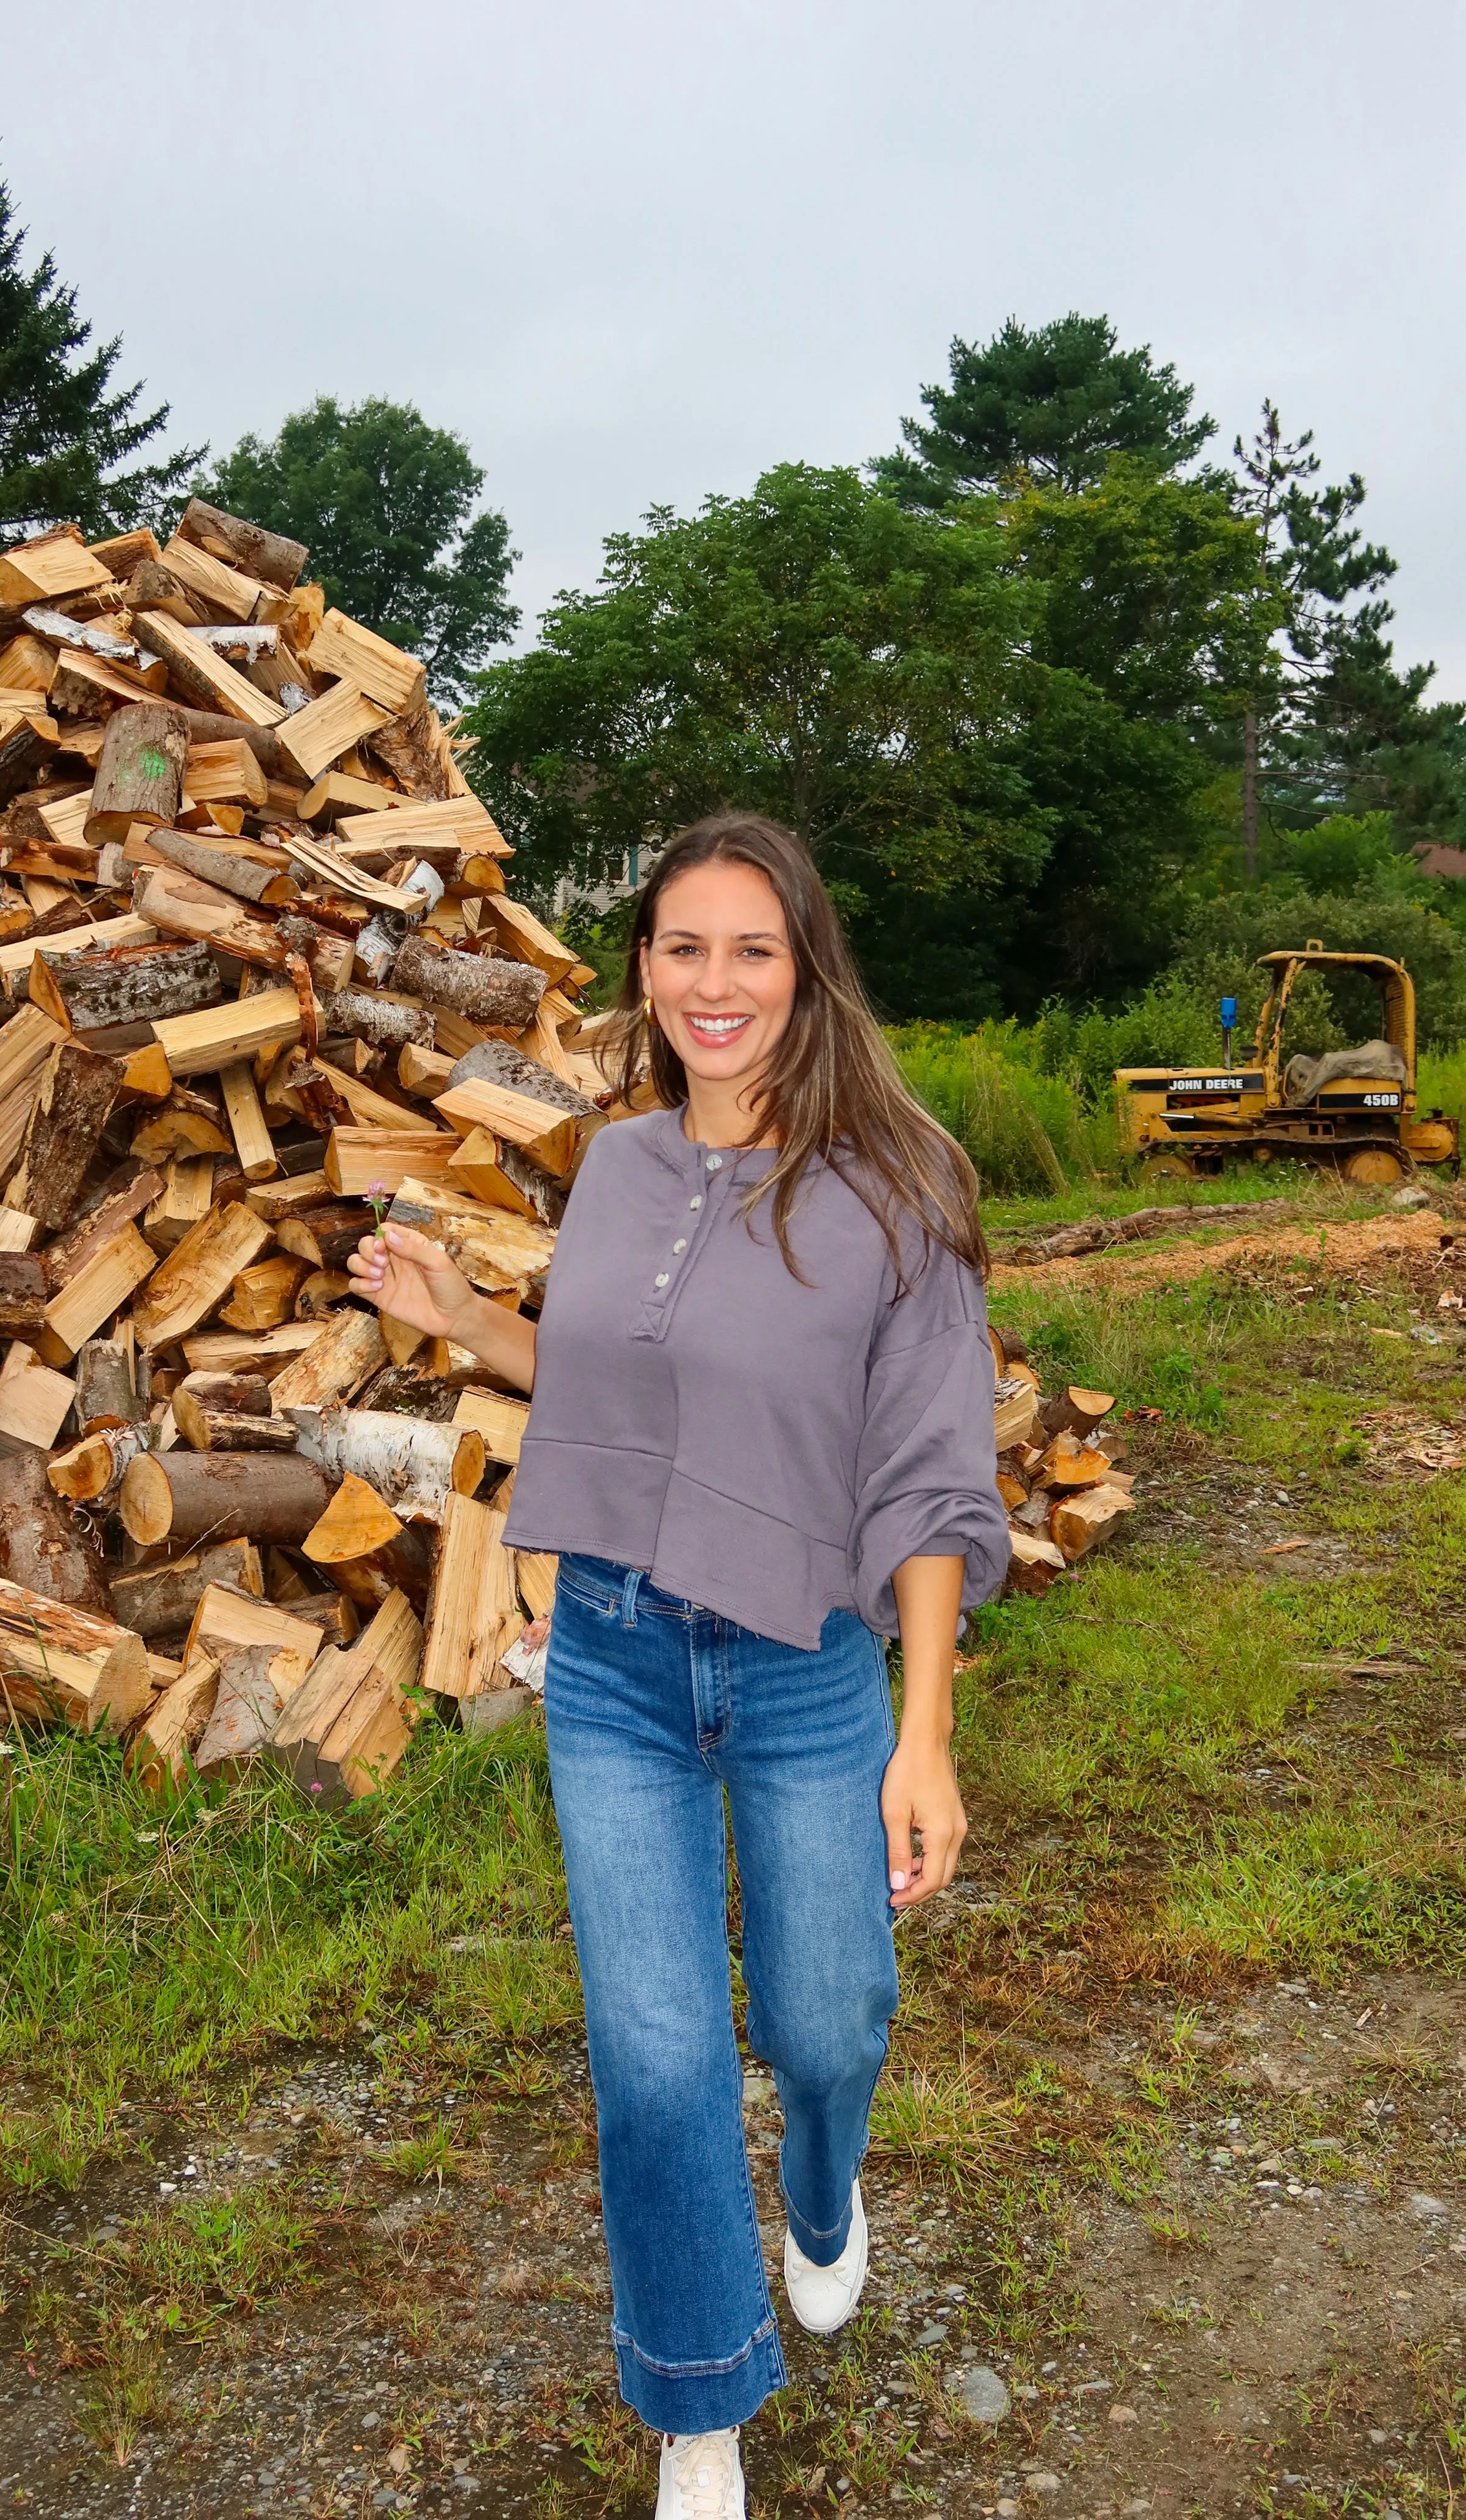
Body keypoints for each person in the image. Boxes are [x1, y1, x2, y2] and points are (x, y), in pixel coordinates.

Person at [348, 812, 1008, 2520]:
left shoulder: (907, 1187)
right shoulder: (625, 1164)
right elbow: (607, 1386)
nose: (714, 984)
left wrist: (920, 1740)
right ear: (644, 967)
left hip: (805, 1671)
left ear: (808, 970)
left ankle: (825, 2178)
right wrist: (461, 1322)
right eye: (682, 947)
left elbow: (932, 1482)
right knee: (653, 2056)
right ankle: (700, 2406)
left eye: (752, 950)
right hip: (620, 1662)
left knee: (827, 2022)